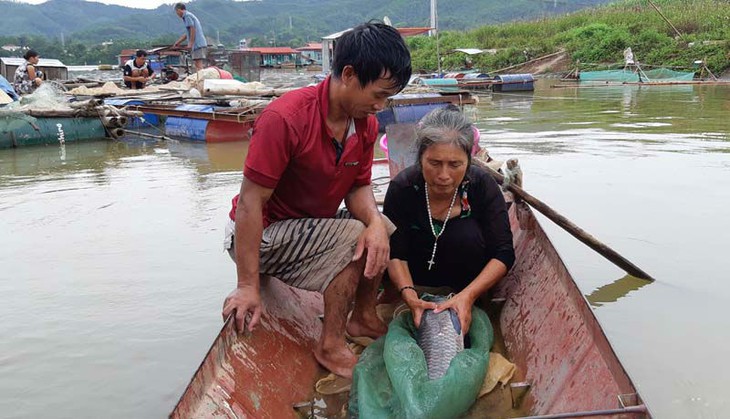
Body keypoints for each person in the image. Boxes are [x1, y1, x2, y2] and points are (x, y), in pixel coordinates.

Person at [221, 22, 411, 379]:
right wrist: (247, 285)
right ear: (349, 74)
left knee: (380, 227)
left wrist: (374, 225)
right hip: (263, 234)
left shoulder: (364, 124)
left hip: (310, 224)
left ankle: (363, 317)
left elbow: (358, 187)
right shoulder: (285, 119)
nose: (381, 106)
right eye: (379, 94)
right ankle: (330, 345)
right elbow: (250, 204)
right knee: (353, 236)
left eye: (388, 98)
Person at [383, 107, 515, 335]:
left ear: (468, 160)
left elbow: (503, 253)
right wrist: (408, 295)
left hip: (466, 286)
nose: (444, 175)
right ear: (420, 158)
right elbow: (395, 254)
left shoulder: (482, 185)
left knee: (467, 233)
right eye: (434, 163)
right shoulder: (403, 188)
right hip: (415, 282)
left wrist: (467, 297)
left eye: (455, 165)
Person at [172, 3, 208, 72]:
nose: (177, 14)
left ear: (179, 10)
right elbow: (187, 34)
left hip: (197, 44)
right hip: (198, 44)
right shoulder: (188, 16)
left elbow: (192, 29)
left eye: (176, 12)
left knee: (198, 65)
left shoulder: (187, 16)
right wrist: (178, 42)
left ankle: (201, 80)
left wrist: (190, 44)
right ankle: (200, 79)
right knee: (197, 65)